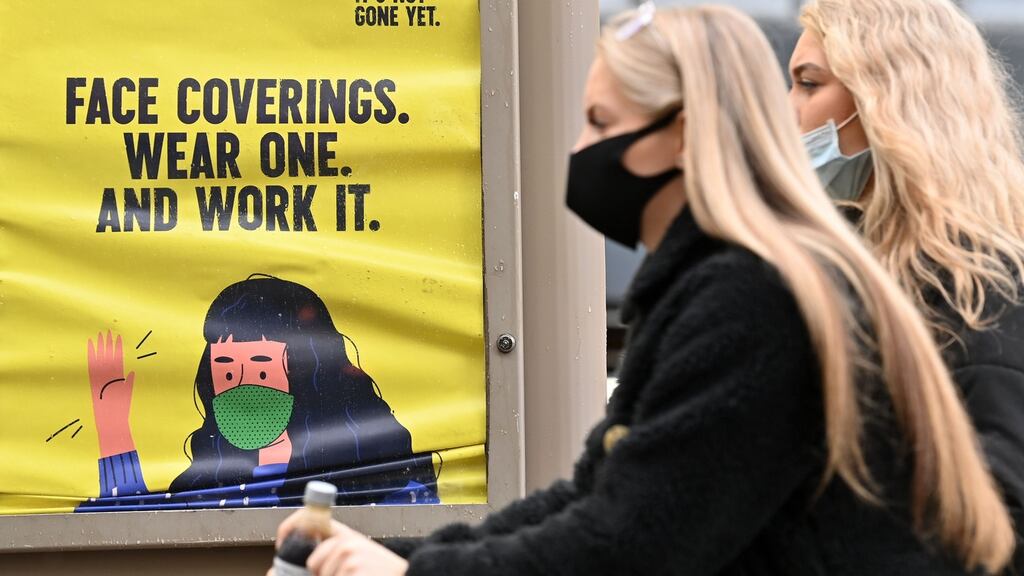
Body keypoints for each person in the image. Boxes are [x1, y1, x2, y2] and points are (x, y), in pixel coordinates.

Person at [271, 5, 1015, 575]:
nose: (580, 152)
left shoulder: (763, 296)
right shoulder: (740, 282)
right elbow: (604, 493)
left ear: (684, 133)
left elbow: (636, 536)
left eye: (601, 122)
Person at [790, 0, 1024, 567]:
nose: (788, 110)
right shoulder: (852, 263)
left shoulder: (978, 290)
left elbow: (995, 518)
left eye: (807, 83)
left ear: (884, 97)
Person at [78, 275, 438, 511]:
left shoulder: (378, 470)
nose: (244, 387)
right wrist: (113, 431)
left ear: (307, 372)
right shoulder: (210, 479)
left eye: (262, 368)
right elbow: (137, 533)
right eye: (228, 370)